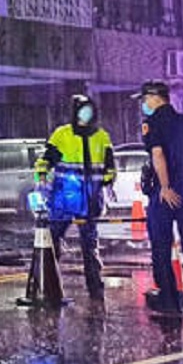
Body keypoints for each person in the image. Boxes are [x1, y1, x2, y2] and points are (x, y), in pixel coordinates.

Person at [133, 80, 183, 321]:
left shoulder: (152, 123)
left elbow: (157, 154)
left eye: (145, 99)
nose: (144, 104)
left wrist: (165, 186)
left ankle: (169, 300)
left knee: (162, 247)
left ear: (155, 97)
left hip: (163, 194)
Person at [36, 94, 116, 299]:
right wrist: (41, 179)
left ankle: (95, 288)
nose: (86, 114)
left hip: (90, 201)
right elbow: (45, 160)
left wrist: (107, 184)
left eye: (89, 109)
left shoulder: (102, 137)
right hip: (64, 200)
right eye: (82, 109)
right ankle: (46, 285)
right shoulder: (62, 135)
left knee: (90, 247)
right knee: (52, 243)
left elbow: (109, 167)